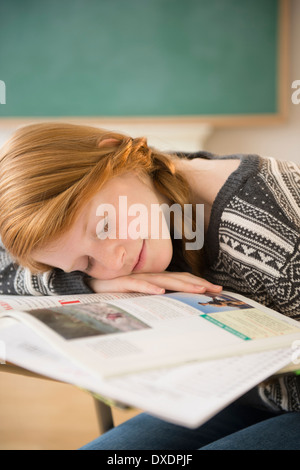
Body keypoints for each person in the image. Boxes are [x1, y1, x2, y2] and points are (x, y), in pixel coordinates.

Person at [0, 122, 299, 450]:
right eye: (85, 262)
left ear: (117, 155)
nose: (116, 263)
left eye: (104, 227)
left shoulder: (269, 216)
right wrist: (89, 282)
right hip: (242, 395)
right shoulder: (149, 183)